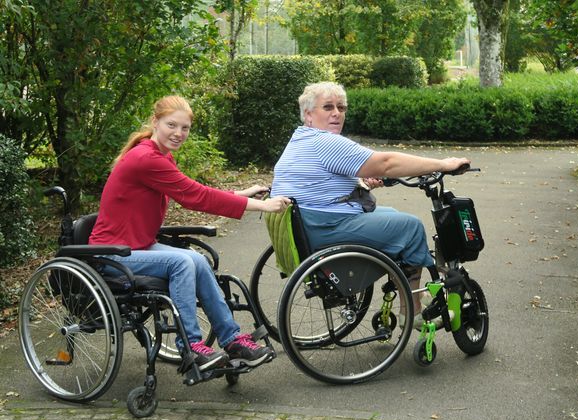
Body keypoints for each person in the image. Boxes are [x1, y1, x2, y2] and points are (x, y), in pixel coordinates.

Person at [90, 95, 291, 372]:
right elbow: (195, 196)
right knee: (182, 261)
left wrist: (242, 195)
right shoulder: (146, 159)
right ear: (155, 122)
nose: (179, 133)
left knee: (195, 259)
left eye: (185, 128)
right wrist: (262, 206)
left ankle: (231, 339)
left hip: (138, 247)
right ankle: (192, 348)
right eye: (172, 125)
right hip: (110, 253)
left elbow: (191, 192)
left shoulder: (160, 156)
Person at [270, 82, 470, 329]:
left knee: (392, 215)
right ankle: (413, 312)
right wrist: (442, 164)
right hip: (326, 228)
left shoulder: (300, 139)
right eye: (328, 107)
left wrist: (361, 184)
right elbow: (385, 163)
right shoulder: (326, 143)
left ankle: (403, 283)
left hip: (308, 227)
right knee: (410, 227)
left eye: (341, 107)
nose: (337, 113)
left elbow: (320, 183)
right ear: (309, 115)